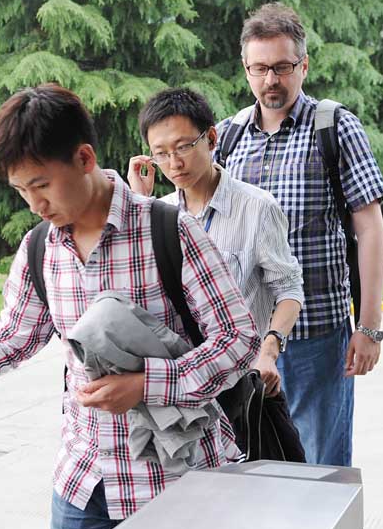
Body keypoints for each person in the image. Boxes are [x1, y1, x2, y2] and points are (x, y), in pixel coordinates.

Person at [0, 83, 260, 529]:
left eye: (41, 185)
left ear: (84, 158)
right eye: (21, 190)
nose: (34, 204)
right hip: (84, 485)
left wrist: (147, 385)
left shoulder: (167, 230)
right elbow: (13, 337)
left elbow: (238, 340)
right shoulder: (39, 248)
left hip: (177, 478)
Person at [213, 2, 383, 467]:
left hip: (317, 334)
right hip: (246, 338)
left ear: (304, 66)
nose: (272, 79)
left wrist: (368, 327)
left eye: (283, 67)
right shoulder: (228, 137)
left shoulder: (333, 126)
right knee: (251, 464)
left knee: (321, 466)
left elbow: (369, 228)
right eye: (260, 68)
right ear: (246, 70)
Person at [127, 87, 305, 400]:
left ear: (211, 138)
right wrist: (140, 202)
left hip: (240, 384)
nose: (174, 163)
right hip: (178, 386)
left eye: (183, 147)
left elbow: (289, 289)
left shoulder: (256, 208)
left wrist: (269, 351)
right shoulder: (159, 214)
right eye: (161, 153)